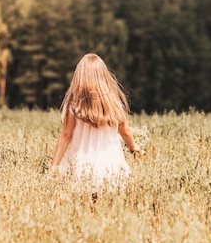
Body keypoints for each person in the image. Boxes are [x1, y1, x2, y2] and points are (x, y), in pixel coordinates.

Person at [50, 53, 144, 189]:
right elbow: (125, 132)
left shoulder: (75, 105)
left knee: (81, 207)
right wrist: (134, 147)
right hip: (111, 167)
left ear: (79, 77)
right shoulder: (114, 104)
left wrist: (54, 166)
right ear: (104, 76)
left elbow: (66, 135)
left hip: (80, 167)